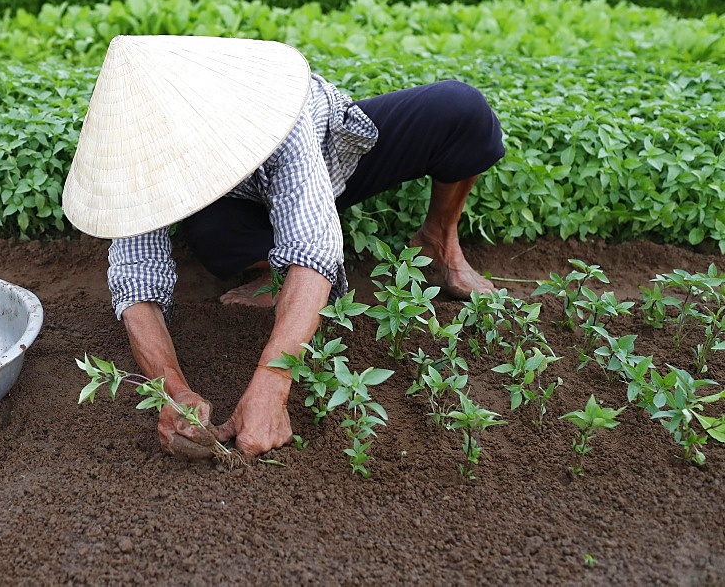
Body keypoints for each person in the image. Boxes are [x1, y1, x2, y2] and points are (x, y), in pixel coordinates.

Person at [62, 35, 504, 460]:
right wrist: (173, 391)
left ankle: (439, 242)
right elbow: (136, 280)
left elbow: (314, 246)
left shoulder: (266, 109)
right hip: (241, 203)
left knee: (461, 110)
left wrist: (272, 385)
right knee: (213, 235)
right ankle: (273, 274)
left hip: (330, 156)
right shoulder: (135, 152)